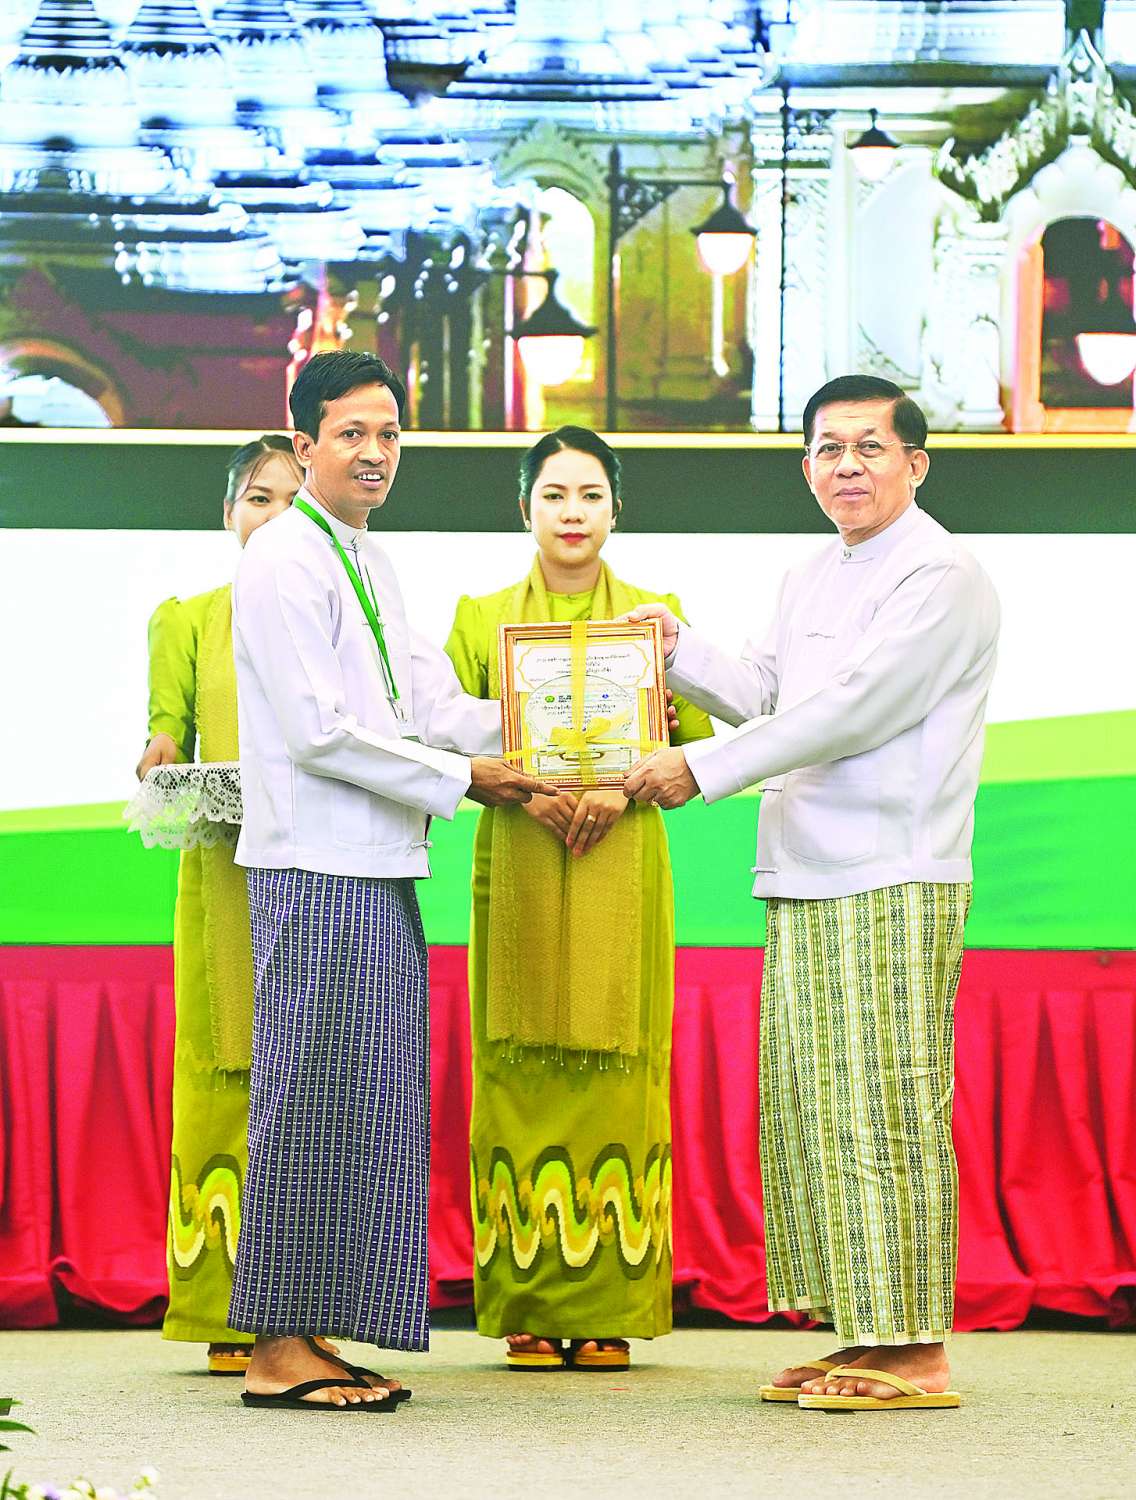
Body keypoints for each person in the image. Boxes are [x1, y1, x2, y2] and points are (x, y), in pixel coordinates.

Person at [624, 376, 1000, 1412]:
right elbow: (769, 694)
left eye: (870, 447)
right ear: (805, 468)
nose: (848, 466)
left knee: (887, 1104)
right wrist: (677, 652)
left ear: (915, 463)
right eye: (829, 449)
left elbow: (854, 709)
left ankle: (916, 1349)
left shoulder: (941, 573)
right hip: (803, 867)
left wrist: (699, 769)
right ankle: (868, 1333)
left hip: (893, 868)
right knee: (819, 1109)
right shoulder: (809, 573)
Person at [227, 351, 555, 1412]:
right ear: (304, 444)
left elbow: (431, 704)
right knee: (306, 1099)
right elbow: (320, 732)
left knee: (361, 1103)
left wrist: (566, 722)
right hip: (313, 861)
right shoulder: (283, 557)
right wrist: (467, 779)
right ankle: (275, 1347)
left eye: (389, 434)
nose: (375, 453)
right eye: (352, 434)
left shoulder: (366, 556)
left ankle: (312, 1329)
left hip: (376, 861)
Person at [444, 427, 713, 1371]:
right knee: (515, 1067)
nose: (572, 513)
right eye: (554, 494)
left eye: (590, 495)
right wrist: (524, 788)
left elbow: (694, 742)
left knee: (620, 1070)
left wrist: (624, 784)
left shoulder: (654, 618)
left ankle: (607, 1309)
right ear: (524, 507)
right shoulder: (478, 618)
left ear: (616, 510)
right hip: (517, 850)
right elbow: (441, 742)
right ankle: (525, 1304)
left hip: (620, 858)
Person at [136, 435, 301, 1376]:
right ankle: (223, 1305)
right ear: (229, 514)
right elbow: (167, 732)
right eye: (258, 498)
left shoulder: (338, 613)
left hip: (315, 870)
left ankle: (299, 1308)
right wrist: (160, 753)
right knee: (224, 1064)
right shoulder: (187, 619)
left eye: (293, 500)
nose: (274, 516)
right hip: (222, 874)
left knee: (304, 1073)